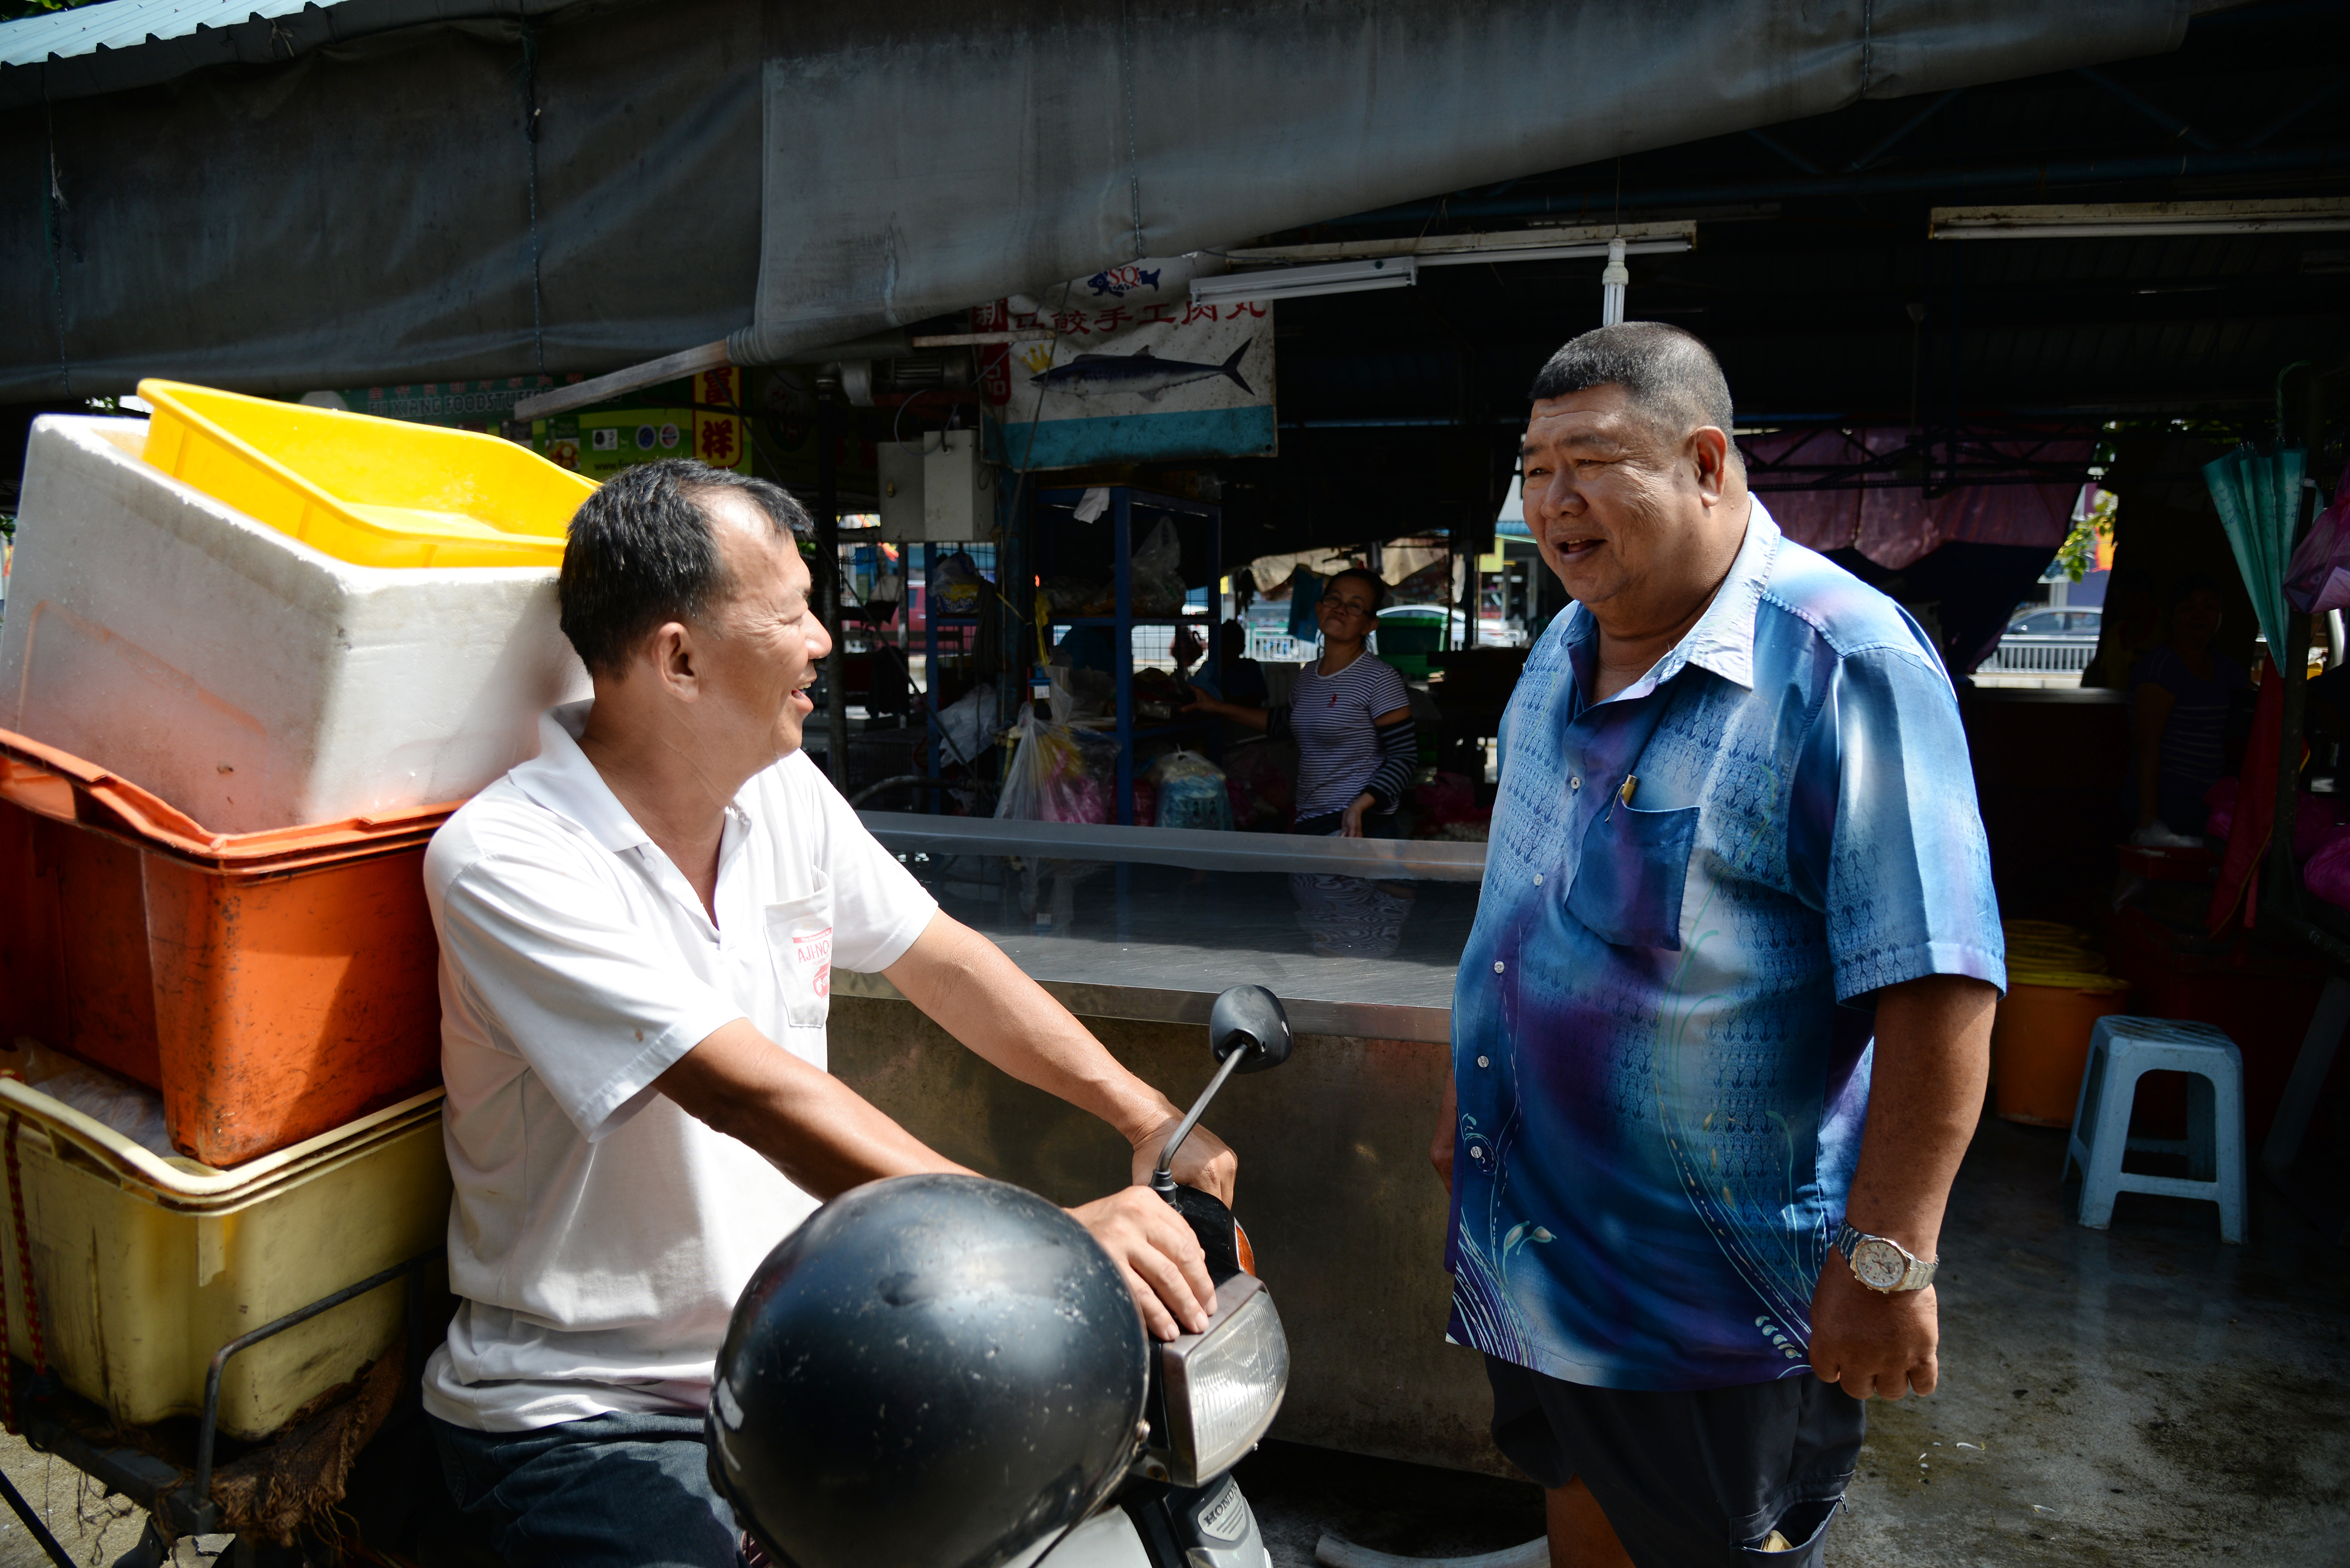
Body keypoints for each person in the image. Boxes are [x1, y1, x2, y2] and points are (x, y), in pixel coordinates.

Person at [419, 459, 1234, 1568]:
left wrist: (1148, 1115)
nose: (825, 640)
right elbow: (745, 1087)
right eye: (794, 610)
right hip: (593, 1405)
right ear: (679, 656)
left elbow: (940, 959)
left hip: (809, 1356)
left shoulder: (778, 791)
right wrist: (1034, 1247)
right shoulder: (509, 858)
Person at [1432, 323, 2004, 1567]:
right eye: (1533, 469)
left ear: (1705, 462)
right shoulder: (1559, 646)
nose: (1552, 501)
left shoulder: (1842, 659)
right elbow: (1517, 917)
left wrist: (1889, 1258)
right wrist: (1461, 1104)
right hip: (1536, 1245)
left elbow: (1938, 976)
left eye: (1589, 461)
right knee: (1575, 1501)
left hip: (1710, 1294)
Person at [1184, 566, 1416, 836]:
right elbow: (1283, 723)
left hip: (1359, 826)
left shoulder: (1380, 679)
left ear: (1369, 625)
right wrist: (1216, 707)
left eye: (1355, 606)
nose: (1341, 609)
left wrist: (1360, 806)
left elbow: (1404, 758)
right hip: (1312, 818)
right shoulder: (1309, 675)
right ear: (1319, 608)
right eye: (1334, 600)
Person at [2130, 577, 2246, 839]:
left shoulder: (2225, 668)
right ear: (2171, 616)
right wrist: (2149, 816)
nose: (2199, 616)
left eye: (2209, 607)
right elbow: (2147, 745)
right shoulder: (2162, 667)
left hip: (2208, 797)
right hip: (2168, 797)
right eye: (2188, 608)